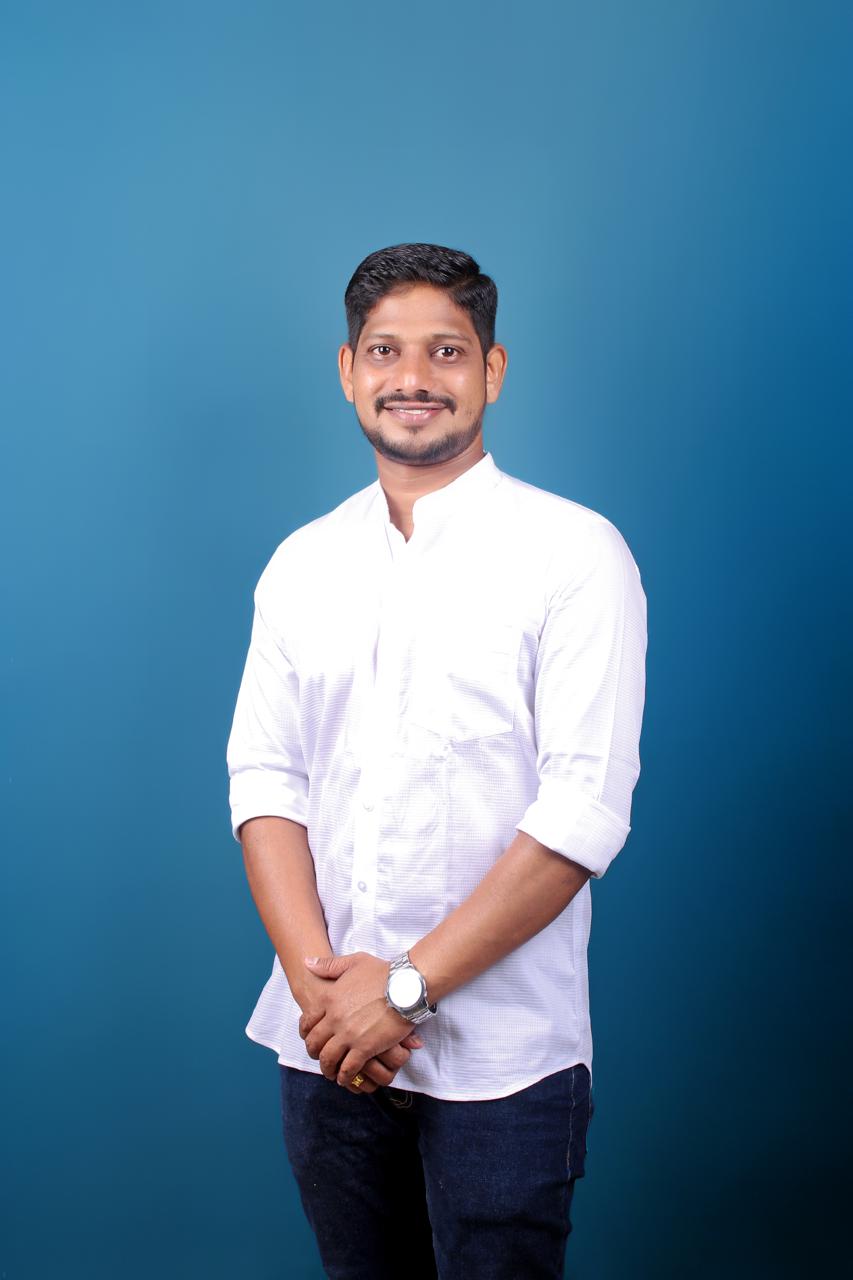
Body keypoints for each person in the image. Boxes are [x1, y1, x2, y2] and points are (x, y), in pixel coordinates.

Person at [226, 242, 647, 1279]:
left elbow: (580, 815)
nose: (412, 377)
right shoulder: (302, 563)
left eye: (445, 351)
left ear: (491, 370)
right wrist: (328, 999)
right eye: (384, 350)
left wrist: (401, 992)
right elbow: (267, 782)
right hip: (325, 1052)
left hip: (503, 1065)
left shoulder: (575, 554)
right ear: (347, 370)